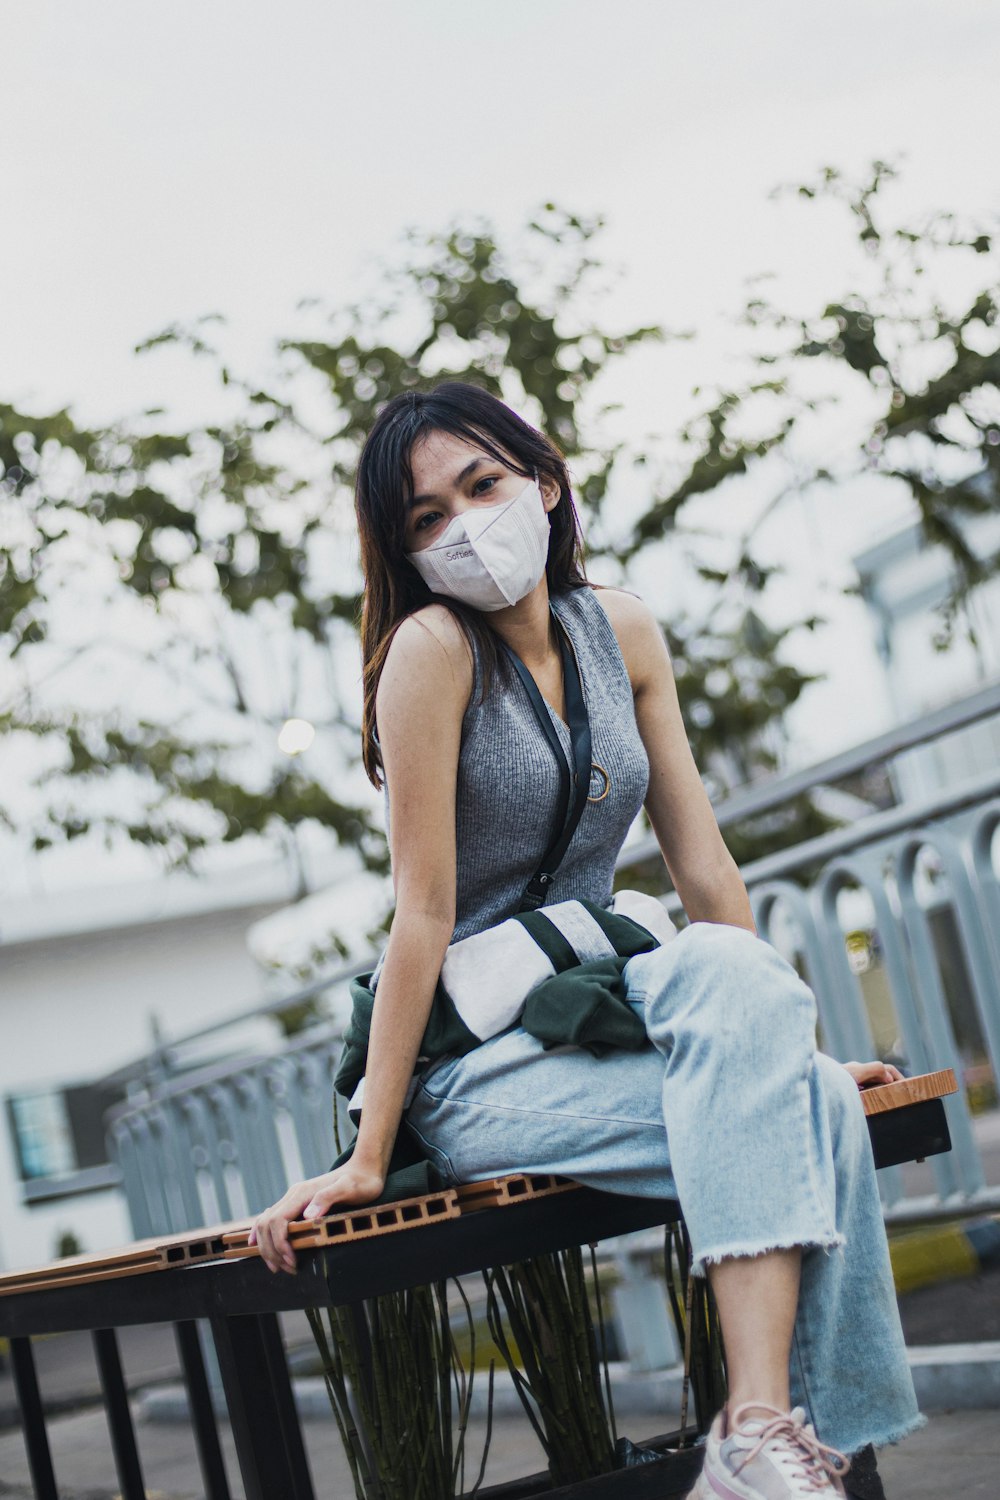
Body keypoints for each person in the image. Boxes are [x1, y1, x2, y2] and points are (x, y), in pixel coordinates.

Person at [249, 382, 923, 1500]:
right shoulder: (431, 651)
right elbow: (420, 910)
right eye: (425, 518)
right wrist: (370, 1153)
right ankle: (777, 1449)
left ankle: (755, 1436)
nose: (463, 524)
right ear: (406, 554)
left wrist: (773, 1038)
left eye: (483, 485)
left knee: (751, 1017)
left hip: (607, 1014)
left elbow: (702, 869)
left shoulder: (622, 627)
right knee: (804, 1111)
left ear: (544, 483)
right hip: (480, 1065)